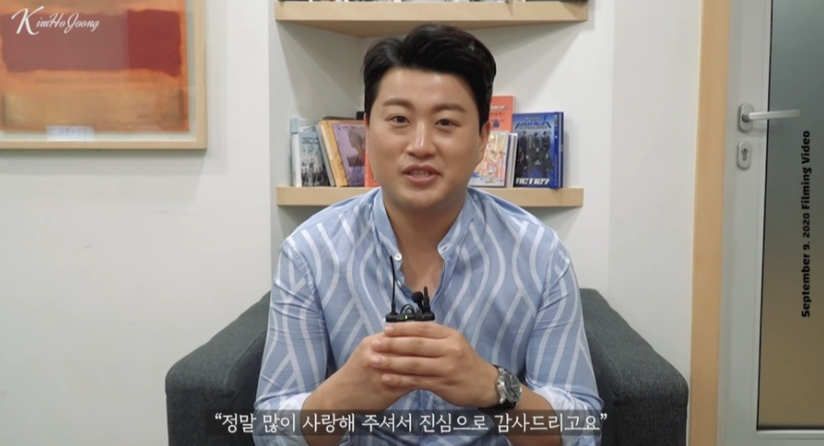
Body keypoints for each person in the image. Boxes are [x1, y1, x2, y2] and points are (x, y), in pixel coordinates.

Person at [254, 23, 602, 446]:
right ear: (368, 134)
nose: (420, 145)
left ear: (482, 141)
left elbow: (582, 430)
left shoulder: (540, 256)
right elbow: (269, 430)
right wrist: (340, 397)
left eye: (445, 122)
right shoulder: (310, 252)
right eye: (399, 120)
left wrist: (495, 388)